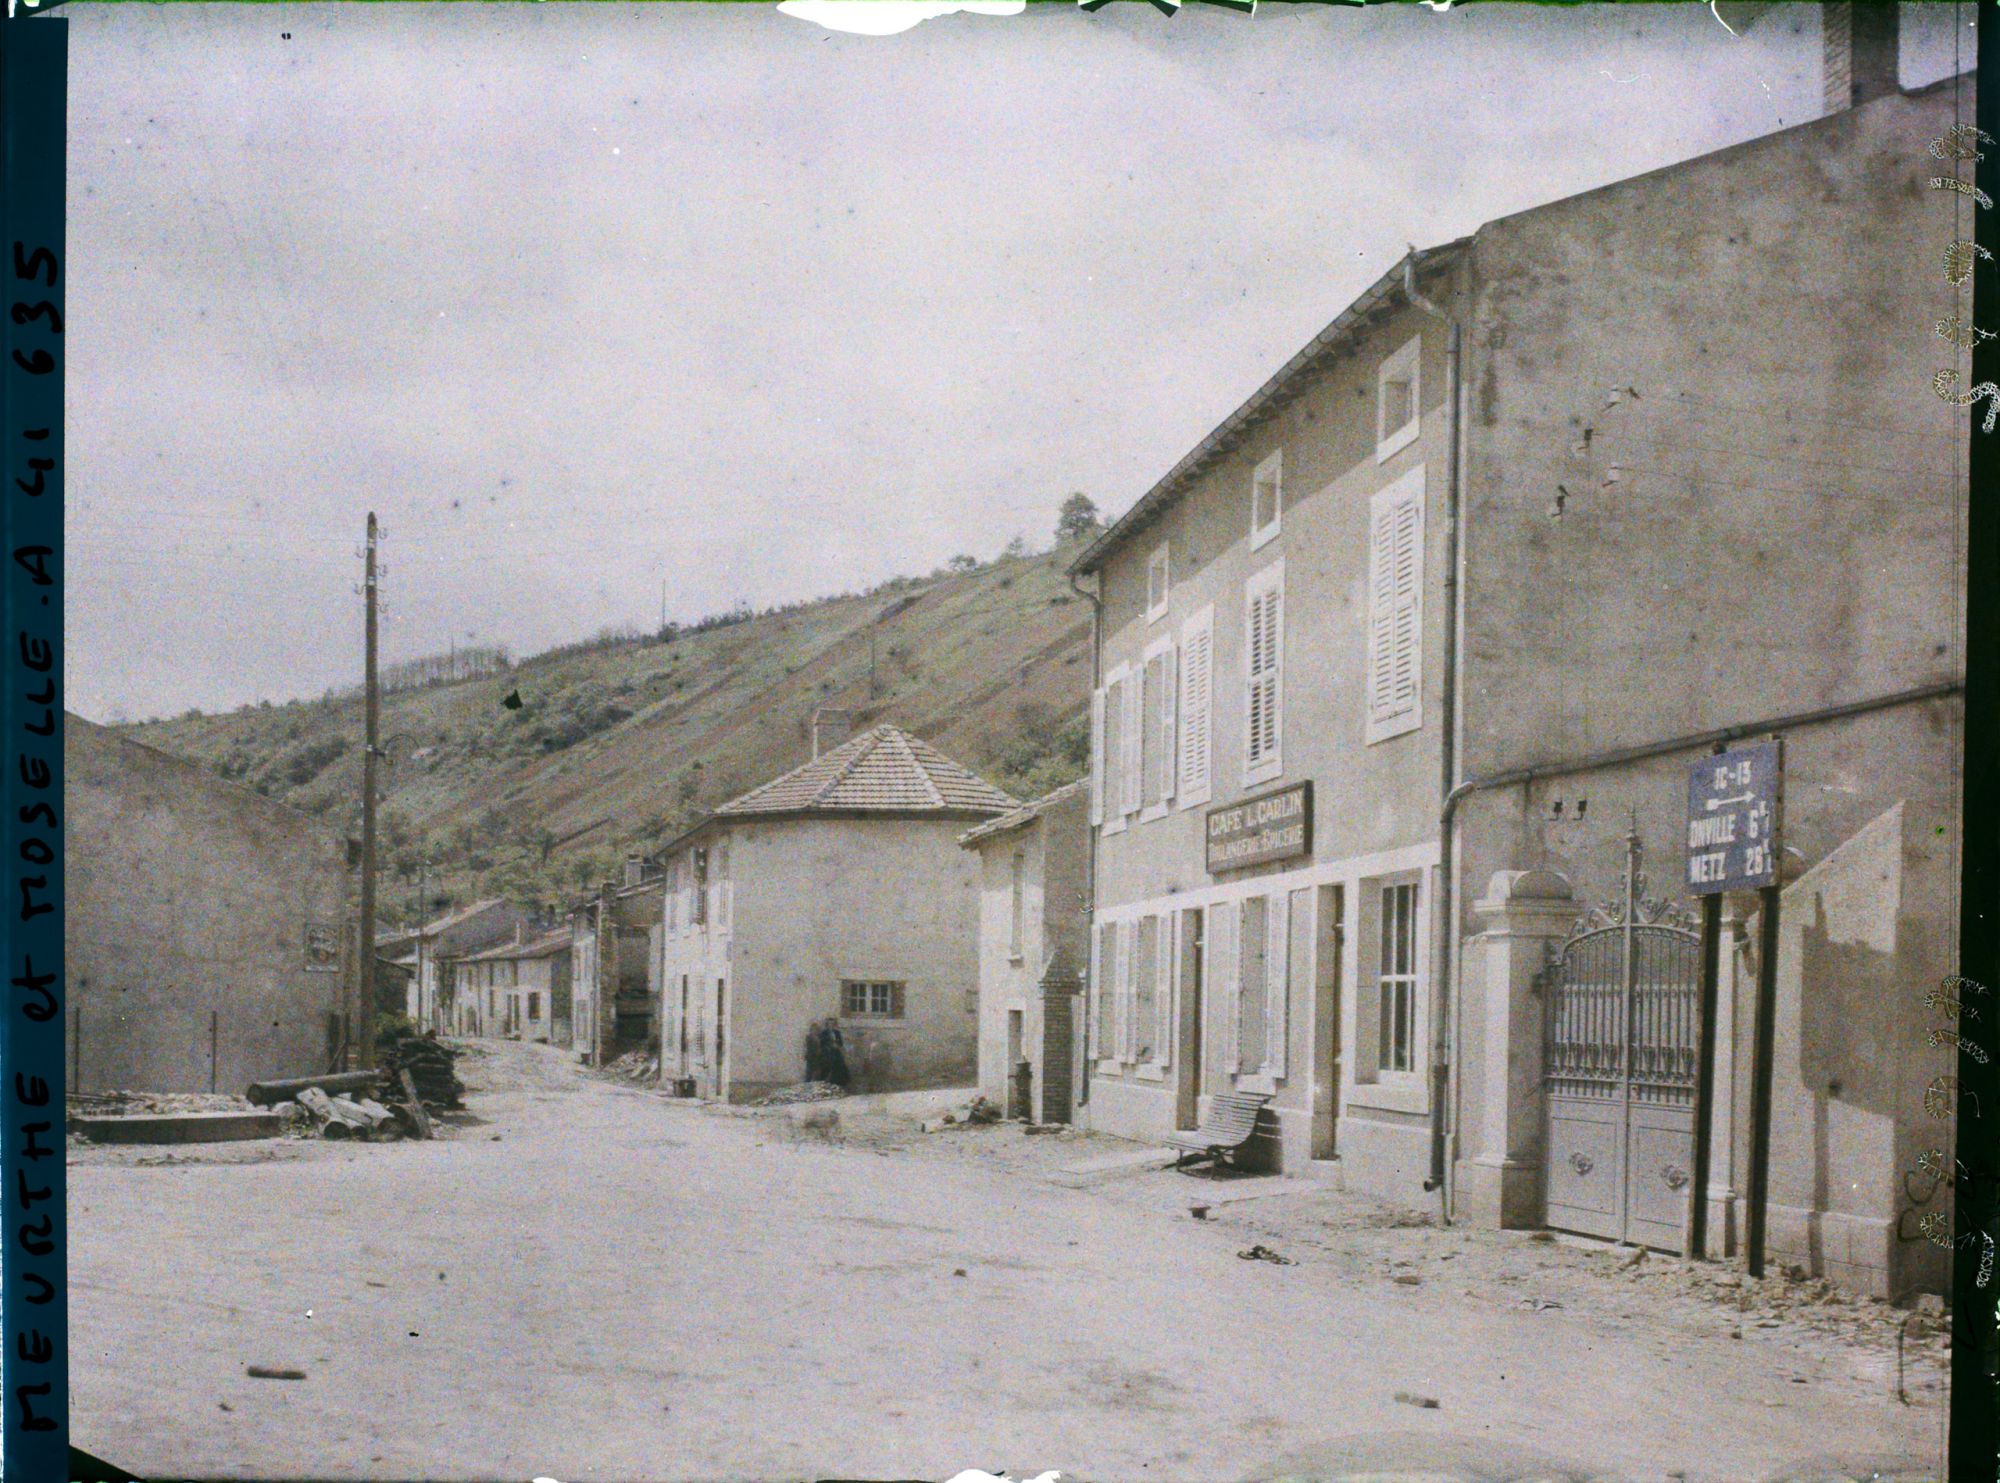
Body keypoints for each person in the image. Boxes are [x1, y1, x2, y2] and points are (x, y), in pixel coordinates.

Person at [821, 1017, 851, 1090]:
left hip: (836, 1052)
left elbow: (841, 1043)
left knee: (840, 1067)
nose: (831, 1025)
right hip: (828, 1053)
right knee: (828, 1068)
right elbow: (822, 1043)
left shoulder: (837, 1032)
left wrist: (837, 1045)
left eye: (832, 1024)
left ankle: (840, 1084)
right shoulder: (824, 1033)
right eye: (829, 1024)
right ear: (827, 1025)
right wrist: (830, 1045)